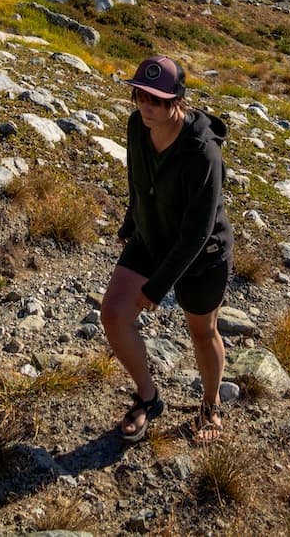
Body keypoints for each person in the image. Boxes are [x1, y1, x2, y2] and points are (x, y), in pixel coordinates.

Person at [101, 55, 233, 444]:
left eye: (156, 99)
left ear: (177, 100)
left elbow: (198, 231)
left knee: (202, 332)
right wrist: (131, 220)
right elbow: (137, 178)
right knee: (113, 314)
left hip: (202, 256)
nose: (146, 105)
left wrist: (155, 289)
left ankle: (210, 406)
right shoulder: (137, 127)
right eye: (141, 95)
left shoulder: (202, 152)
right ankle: (148, 397)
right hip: (151, 235)